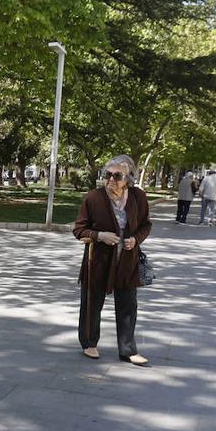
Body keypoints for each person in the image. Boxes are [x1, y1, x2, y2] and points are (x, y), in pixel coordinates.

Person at [73, 154, 151, 366]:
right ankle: (89, 343)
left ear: (128, 179)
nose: (111, 180)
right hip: (97, 260)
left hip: (126, 261)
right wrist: (100, 236)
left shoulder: (137, 197)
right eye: (107, 175)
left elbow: (146, 225)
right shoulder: (93, 198)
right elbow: (79, 229)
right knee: (91, 303)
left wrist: (135, 239)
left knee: (128, 305)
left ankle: (128, 350)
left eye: (117, 176)